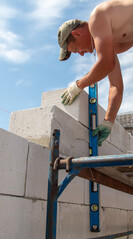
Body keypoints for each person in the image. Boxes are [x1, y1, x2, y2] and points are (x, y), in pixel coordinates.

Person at [57, 0, 133, 146]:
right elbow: (116, 86)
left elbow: (106, 64)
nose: (80, 54)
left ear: (76, 34)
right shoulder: (108, 45)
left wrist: (78, 85)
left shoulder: (97, 17)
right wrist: (108, 122)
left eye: (75, 50)